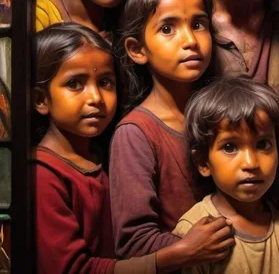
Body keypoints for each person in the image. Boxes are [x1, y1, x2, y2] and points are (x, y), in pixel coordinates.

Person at [34, 23, 231, 273]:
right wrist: (180, 253)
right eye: (75, 84)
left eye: (105, 82)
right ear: (41, 99)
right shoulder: (42, 176)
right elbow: (74, 269)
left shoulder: (101, 154)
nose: (95, 97)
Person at [174, 77, 279, 273]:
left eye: (262, 145)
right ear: (202, 162)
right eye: (230, 147)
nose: (251, 163)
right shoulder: (196, 234)